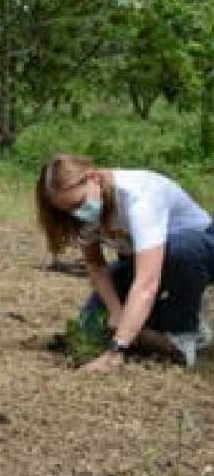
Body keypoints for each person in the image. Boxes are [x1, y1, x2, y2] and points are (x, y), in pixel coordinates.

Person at [36, 153, 214, 372]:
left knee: (180, 251)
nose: (78, 214)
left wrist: (116, 350)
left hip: (197, 251)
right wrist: (116, 312)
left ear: (93, 178)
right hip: (142, 261)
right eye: (68, 210)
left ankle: (185, 330)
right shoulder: (88, 211)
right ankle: (150, 330)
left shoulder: (140, 198)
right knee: (91, 327)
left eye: (79, 204)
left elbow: (146, 283)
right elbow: (95, 265)